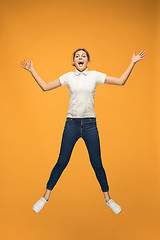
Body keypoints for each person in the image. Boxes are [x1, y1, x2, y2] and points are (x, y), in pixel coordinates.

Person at [21, 48, 146, 214]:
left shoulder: (95, 75)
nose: (80, 58)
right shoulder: (68, 77)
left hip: (90, 125)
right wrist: (32, 70)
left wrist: (133, 62)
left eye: (83, 56)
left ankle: (108, 199)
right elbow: (45, 87)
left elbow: (121, 81)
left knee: (97, 163)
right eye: (77, 56)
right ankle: (45, 197)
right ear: (73, 61)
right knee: (62, 161)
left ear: (88, 60)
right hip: (71, 124)